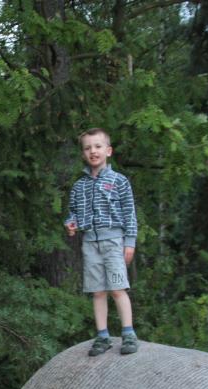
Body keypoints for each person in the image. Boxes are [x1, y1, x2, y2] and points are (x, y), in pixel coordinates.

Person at [64, 128, 139, 356]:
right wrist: (71, 223)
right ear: (83, 154)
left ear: (108, 151)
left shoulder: (119, 181)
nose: (92, 151)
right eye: (87, 148)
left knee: (117, 288)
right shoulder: (79, 186)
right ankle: (102, 335)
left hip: (114, 241)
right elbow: (73, 213)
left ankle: (128, 334)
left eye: (97, 147)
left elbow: (130, 213)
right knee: (98, 291)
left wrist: (130, 242)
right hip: (90, 244)